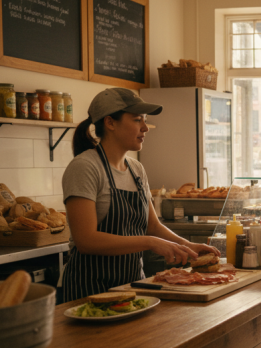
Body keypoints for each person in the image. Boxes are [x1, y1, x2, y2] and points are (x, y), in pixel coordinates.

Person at [61, 88, 219, 302]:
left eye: (144, 120)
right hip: (90, 291)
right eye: (137, 120)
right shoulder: (85, 167)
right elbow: (86, 240)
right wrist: (150, 243)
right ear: (110, 123)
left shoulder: (136, 169)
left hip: (131, 287)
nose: (145, 128)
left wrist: (189, 247)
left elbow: (152, 226)